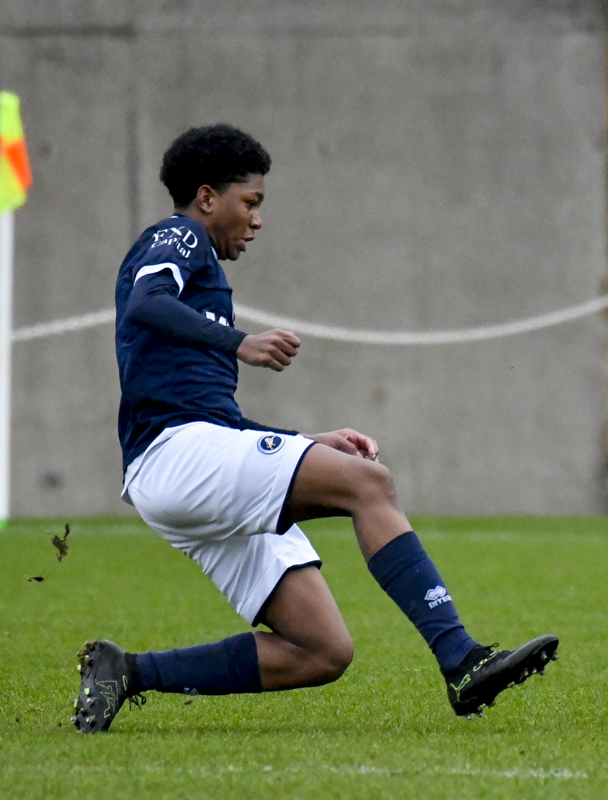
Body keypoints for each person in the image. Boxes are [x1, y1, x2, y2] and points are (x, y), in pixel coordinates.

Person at [72, 124, 557, 733]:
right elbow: (145, 303)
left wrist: (306, 442)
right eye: (249, 202)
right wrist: (240, 341)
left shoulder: (199, 267)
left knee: (323, 649)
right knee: (368, 485)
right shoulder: (179, 235)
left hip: (182, 461)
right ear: (205, 197)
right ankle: (460, 658)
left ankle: (129, 672)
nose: (255, 219)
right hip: (175, 458)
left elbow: (209, 417)